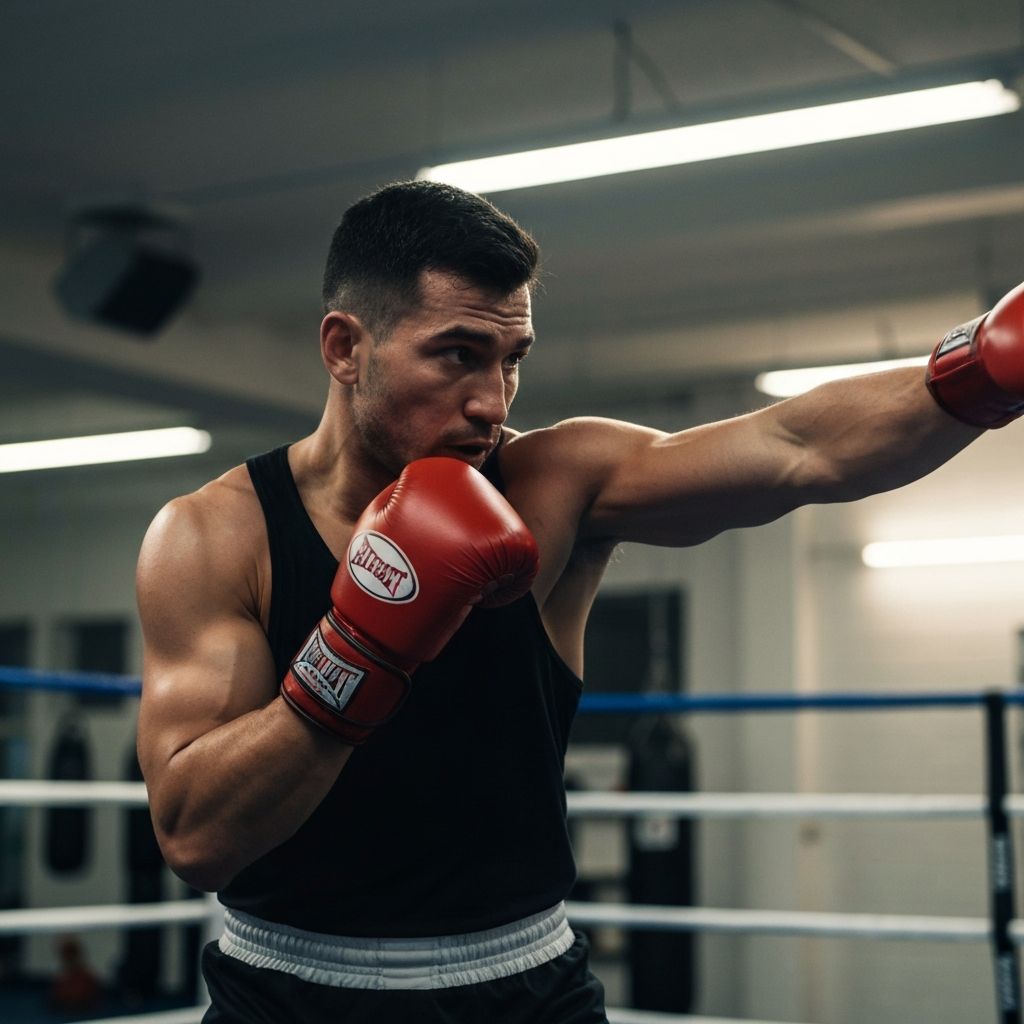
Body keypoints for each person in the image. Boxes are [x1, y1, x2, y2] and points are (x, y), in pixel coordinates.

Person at [135, 180, 1024, 1023]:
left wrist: (980, 366)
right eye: (456, 354)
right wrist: (358, 650)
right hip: (293, 992)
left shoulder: (555, 481)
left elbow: (794, 448)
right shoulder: (215, 536)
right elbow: (196, 840)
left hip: (523, 986)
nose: (491, 401)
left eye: (511, 359)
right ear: (345, 347)